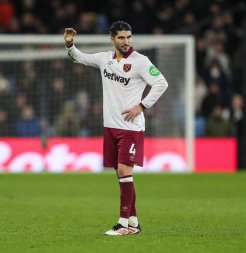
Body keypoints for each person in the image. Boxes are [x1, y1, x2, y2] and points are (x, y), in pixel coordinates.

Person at [64, 21, 168, 236]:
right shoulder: (105, 59)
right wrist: (70, 45)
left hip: (131, 128)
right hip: (110, 127)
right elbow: (79, 58)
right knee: (123, 175)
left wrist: (141, 106)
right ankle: (133, 222)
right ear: (112, 40)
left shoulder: (140, 61)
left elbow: (161, 83)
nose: (126, 41)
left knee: (124, 171)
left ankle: (122, 224)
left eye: (129, 37)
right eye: (121, 37)